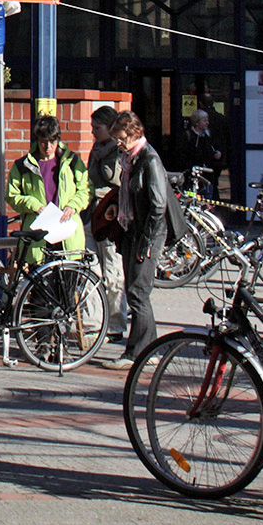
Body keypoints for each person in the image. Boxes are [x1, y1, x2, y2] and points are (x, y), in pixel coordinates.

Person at [102, 111, 171, 371]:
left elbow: (157, 206)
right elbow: (129, 191)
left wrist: (146, 243)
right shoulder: (131, 158)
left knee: (137, 293)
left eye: (120, 138)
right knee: (136, 290)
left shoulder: (149, 160)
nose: (117, 143)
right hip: (132, 228)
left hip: (148, 234)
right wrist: (117, 208)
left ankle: (135, 353)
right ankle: (150, 349)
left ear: (133, 134)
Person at [6, 115, 90, 266]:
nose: (48, 147)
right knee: (38, 286)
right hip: (38, 239)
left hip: (67, 237)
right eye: (43, 142)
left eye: (52, 142)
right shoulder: (22, 166)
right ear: (37, 140)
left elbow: (86, 189)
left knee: (67, 287)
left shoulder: (72, 161)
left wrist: (73, 205)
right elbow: (12, 196)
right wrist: (34, 205)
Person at [85, 106, 128, 344]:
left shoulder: (119, 151)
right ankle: (94, 322)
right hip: (91, 213)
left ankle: (114, 324)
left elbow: (115, 180)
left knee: (112, 271)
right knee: (90, 269)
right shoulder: (96, 148)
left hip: (109, 215)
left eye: (97, 128)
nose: (93, 132)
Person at [179, 109, 223, 198]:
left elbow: (215, 148)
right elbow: (182, 156)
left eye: (207, 120)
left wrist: (217, 154)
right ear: (197, 123)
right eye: (204, 120)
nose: (207, 123)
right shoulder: (188, 137)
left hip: (207, 178)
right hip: (192, 179)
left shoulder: (209, 136)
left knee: (207, 202)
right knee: (192, 201)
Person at [199, 91, 230, 200]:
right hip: (219, 157)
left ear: (201, 103)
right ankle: (215, 205)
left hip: (206, 158)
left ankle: (211, 206)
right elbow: (227, 137)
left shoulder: (200, 119)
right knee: (213, 183)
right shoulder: (220, 118)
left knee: (206, 184)